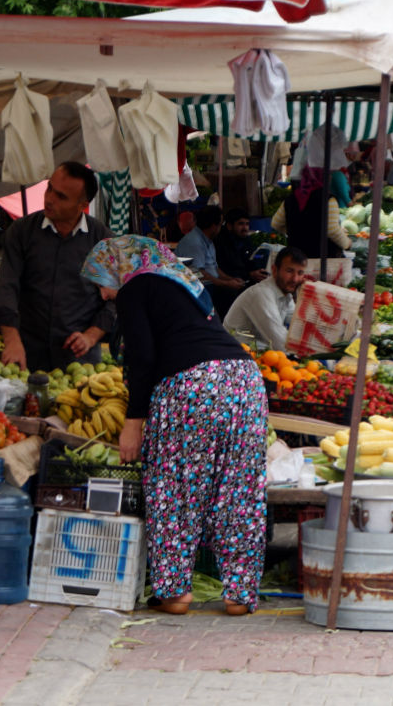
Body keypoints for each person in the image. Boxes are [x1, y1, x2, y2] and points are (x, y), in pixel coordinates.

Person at [81, 236, 267, 616]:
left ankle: (176, 591)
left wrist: (134, 423)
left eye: (100, 278)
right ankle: (239, 594)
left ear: (118, 266)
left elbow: (143, 358)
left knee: (175, 487)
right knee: (237, 490)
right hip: (245, 381)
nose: (102, 293)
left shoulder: (135, 286)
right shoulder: (184, 283)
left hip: (190, 385)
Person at [0, 162, 115, 374]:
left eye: (61, 196)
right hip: (25, 353)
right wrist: (11, 339)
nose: (49, 199)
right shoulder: (22, 232)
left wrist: (91, 335)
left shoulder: (102, 242)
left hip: (79, 361)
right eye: (49, 188)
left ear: (82, 205)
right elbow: (6, 288)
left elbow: (117, 300)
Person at [222, 247, 308, 350]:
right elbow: (280, 341)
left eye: (300, 273)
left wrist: (308, 296)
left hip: (258, 351)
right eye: (289, 271)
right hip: (236, 354)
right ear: (274, 270)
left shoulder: (286, 294)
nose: (295, 279)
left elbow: (300, 324)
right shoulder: (261, 294)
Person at [270, 167, 352, 261]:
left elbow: (275, 223)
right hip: (323, 260)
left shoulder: (291, 199)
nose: (330, 178)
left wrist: (296, 231)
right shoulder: (328, 200)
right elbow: (332, 230)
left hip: (297, 259)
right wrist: (347, 243)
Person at [176, 205, 245, 317]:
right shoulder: (194, 242)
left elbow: (214, 268)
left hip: (210, 285)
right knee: (230, 296)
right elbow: (199, 274)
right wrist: (227, 283)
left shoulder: (208, 240)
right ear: (214, 226)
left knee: (239, 290)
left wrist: (231, 279)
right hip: (198, 289)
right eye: (220, 224)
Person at [215, 208, 269, 285]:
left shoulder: (244, 239)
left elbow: (251, 257)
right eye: (241, 224)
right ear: (229, 226)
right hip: (229, 283)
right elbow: (230, 268)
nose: (245, 228)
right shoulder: (222, 242)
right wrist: (250, 274)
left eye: (247, 224)